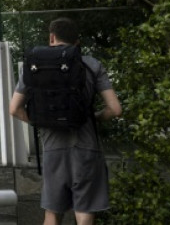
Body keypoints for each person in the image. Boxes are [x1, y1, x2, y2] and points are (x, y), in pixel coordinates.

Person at [9, 17, 122, 225]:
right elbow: (115, 109)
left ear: (52, 37)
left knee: (52, 212)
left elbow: (14, 109)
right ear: (77, 42)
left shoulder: (35, 65)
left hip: (53, 148)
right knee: (84, 210)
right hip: (87, 147)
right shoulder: (92, 65)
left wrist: (41, 121)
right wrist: (93, 118)